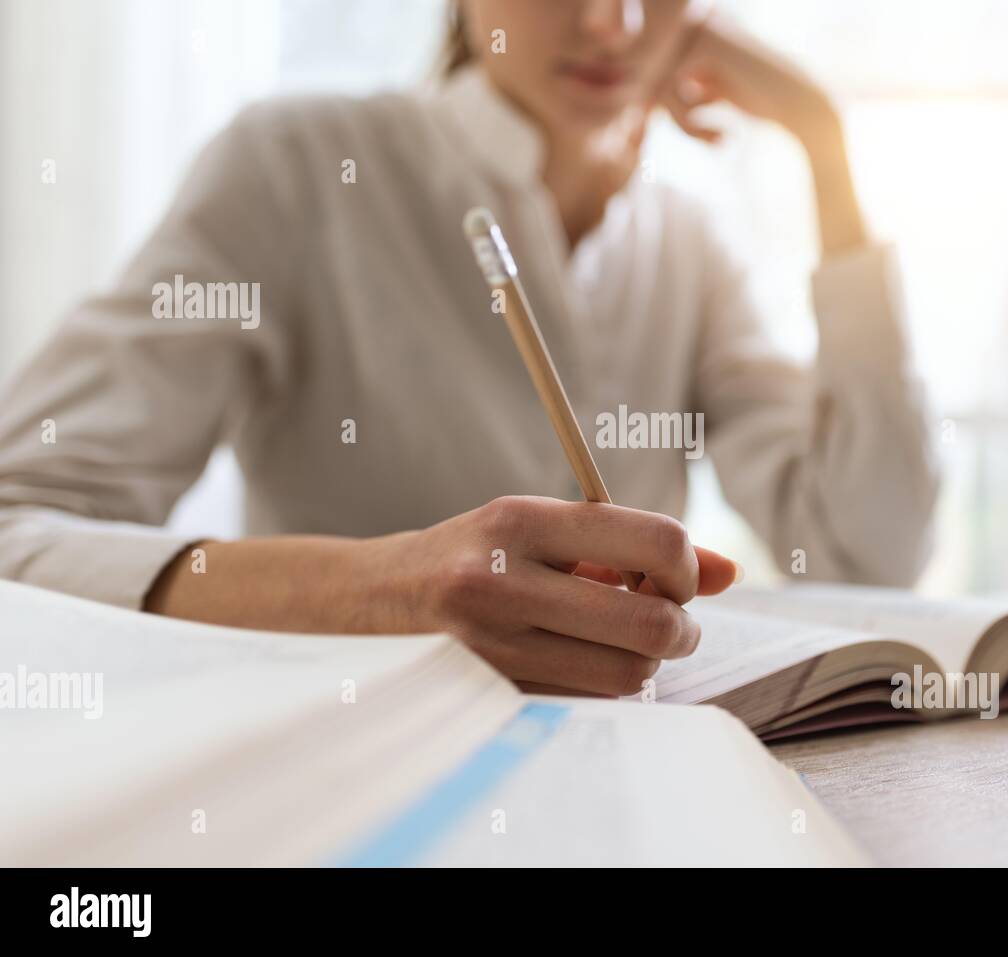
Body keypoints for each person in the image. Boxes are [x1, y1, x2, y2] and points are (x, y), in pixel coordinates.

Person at [0, 0, 938, 696]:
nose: (608, 21)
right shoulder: (294, 166)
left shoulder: (690, 244)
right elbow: (16, 534)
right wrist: (385, 590)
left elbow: (866, 553)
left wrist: (826, 148)